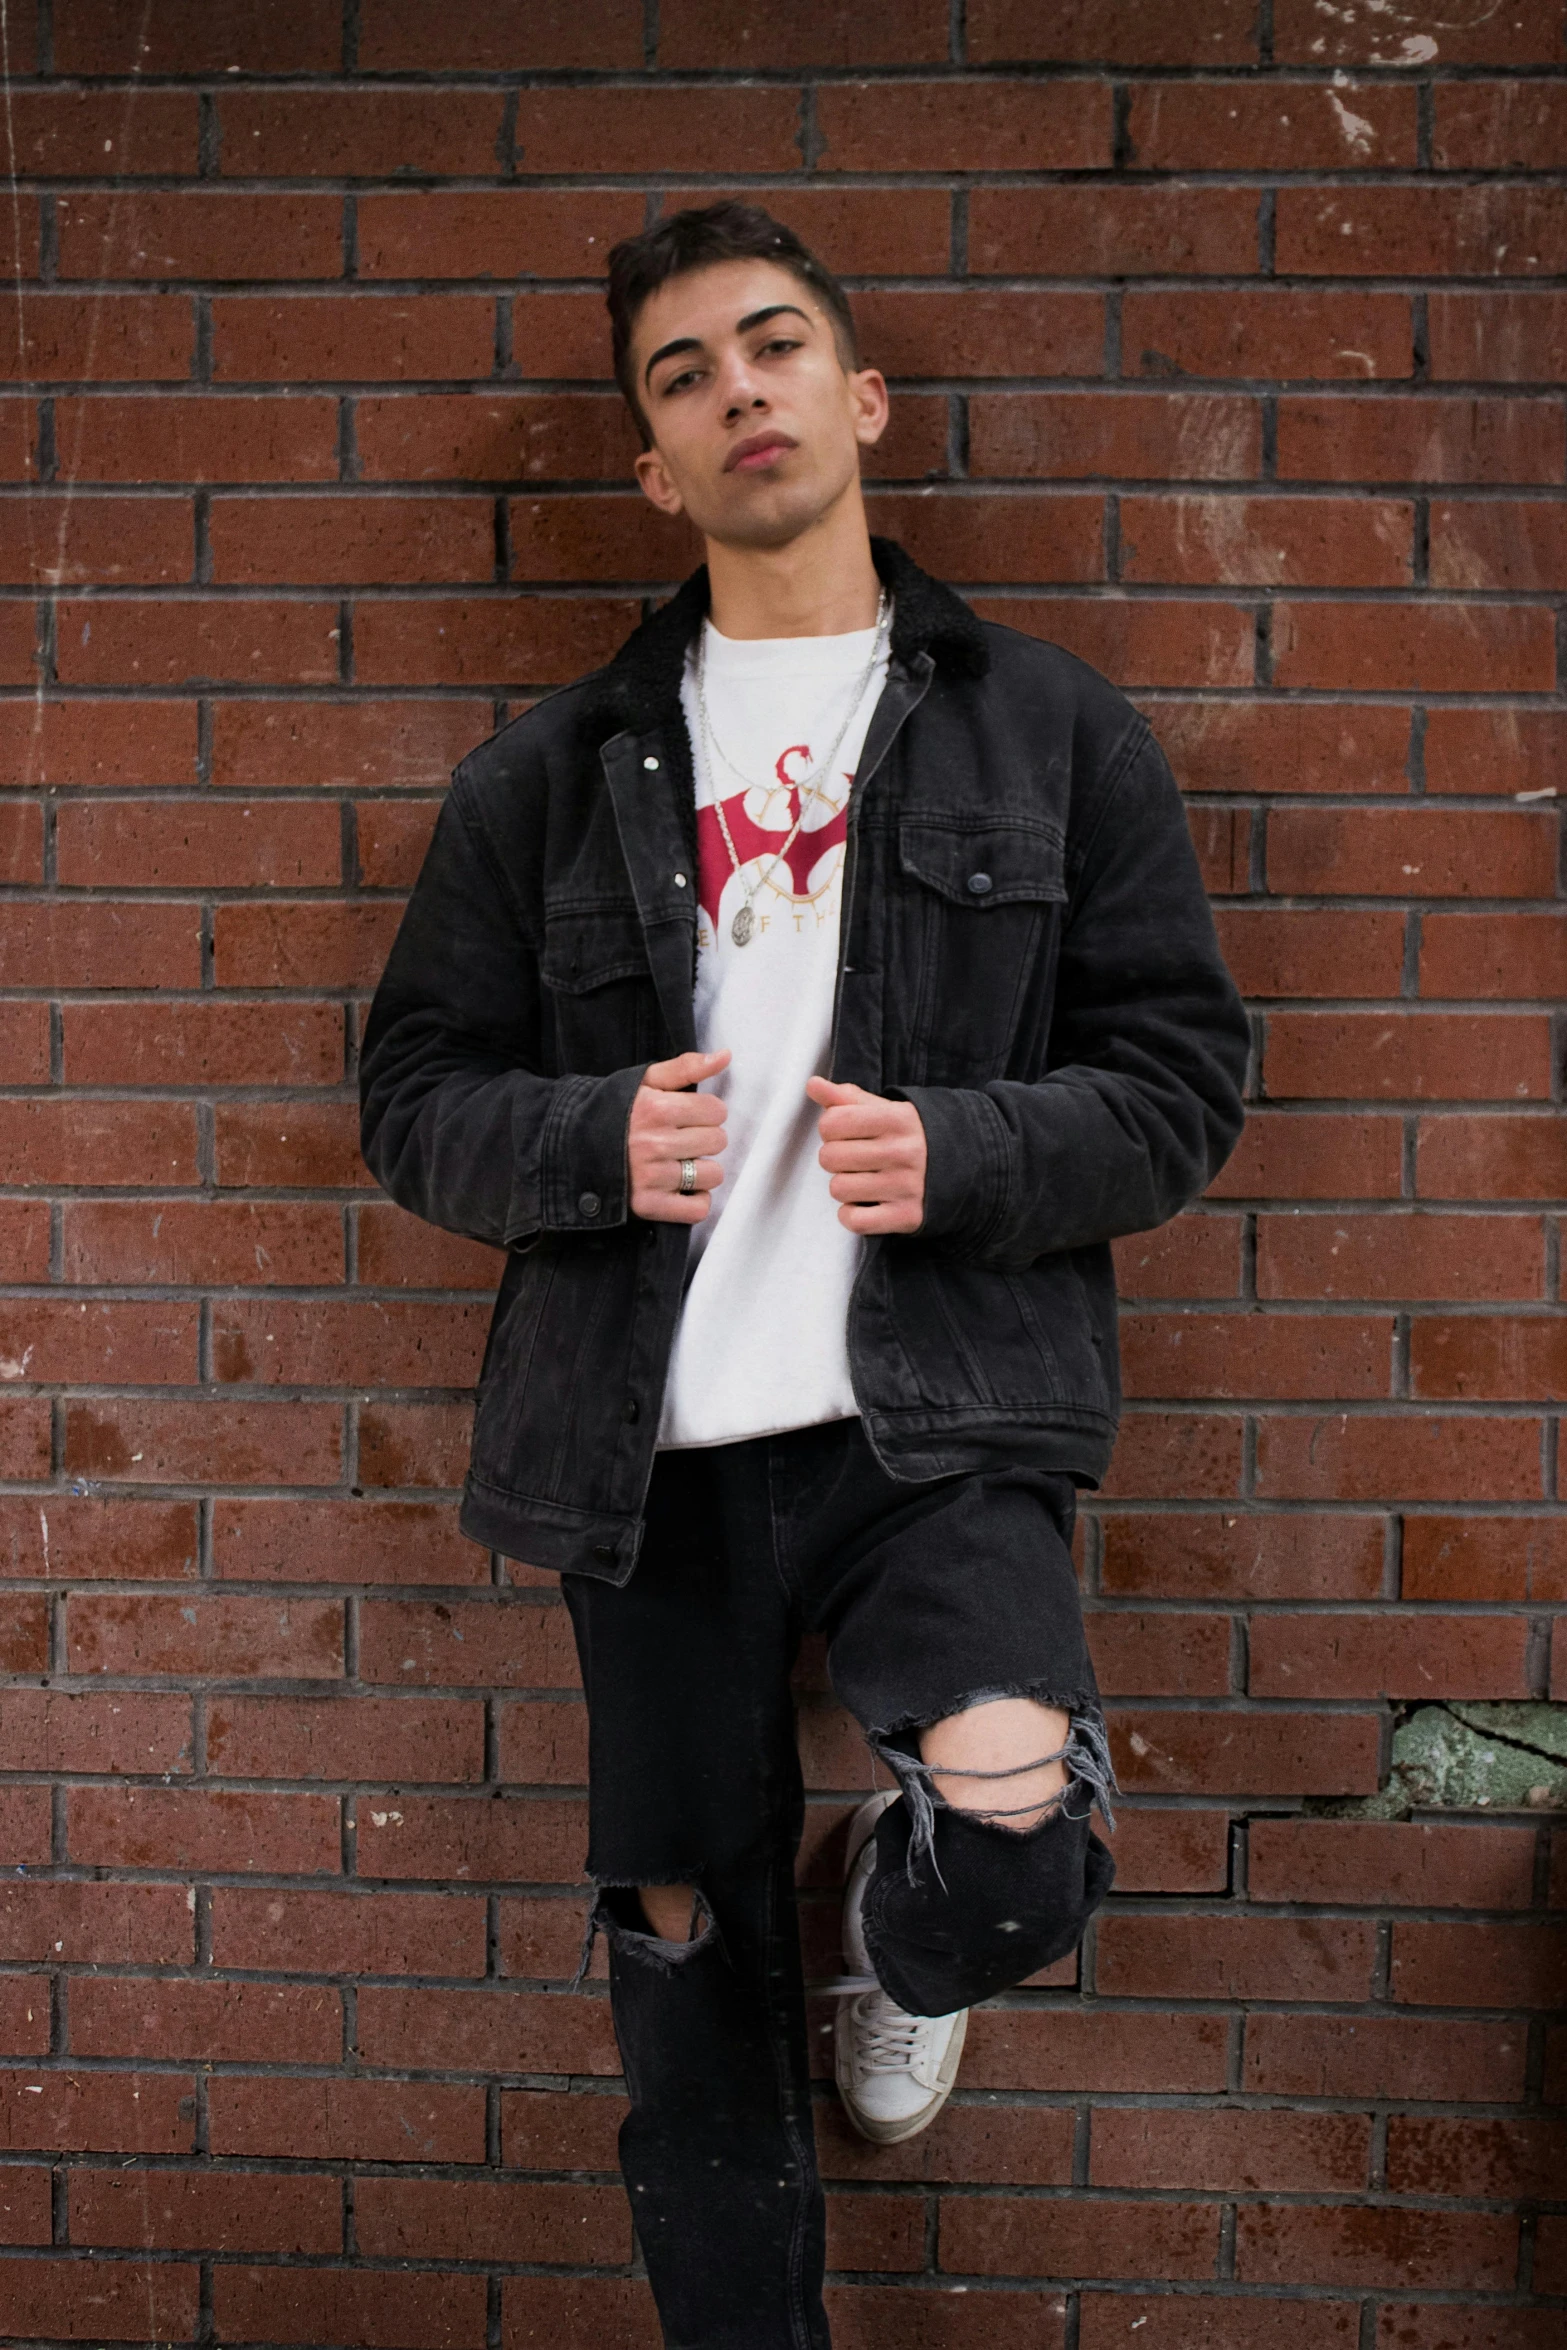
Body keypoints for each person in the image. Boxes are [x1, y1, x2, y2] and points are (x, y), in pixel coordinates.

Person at [359, 200, 1248, 2350]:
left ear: (859, 400)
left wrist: (967, 1147)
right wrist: (591, 1136)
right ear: (654, 467)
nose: (736, 387)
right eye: (683, 373)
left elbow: (1180, 1075)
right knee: (683, 1969)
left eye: (771, 347)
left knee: (1020, 1857)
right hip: (639, 1455)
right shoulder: (546, 776)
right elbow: (410, 1091)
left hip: (937, 1419)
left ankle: (901, 1915)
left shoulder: (1050, 728)